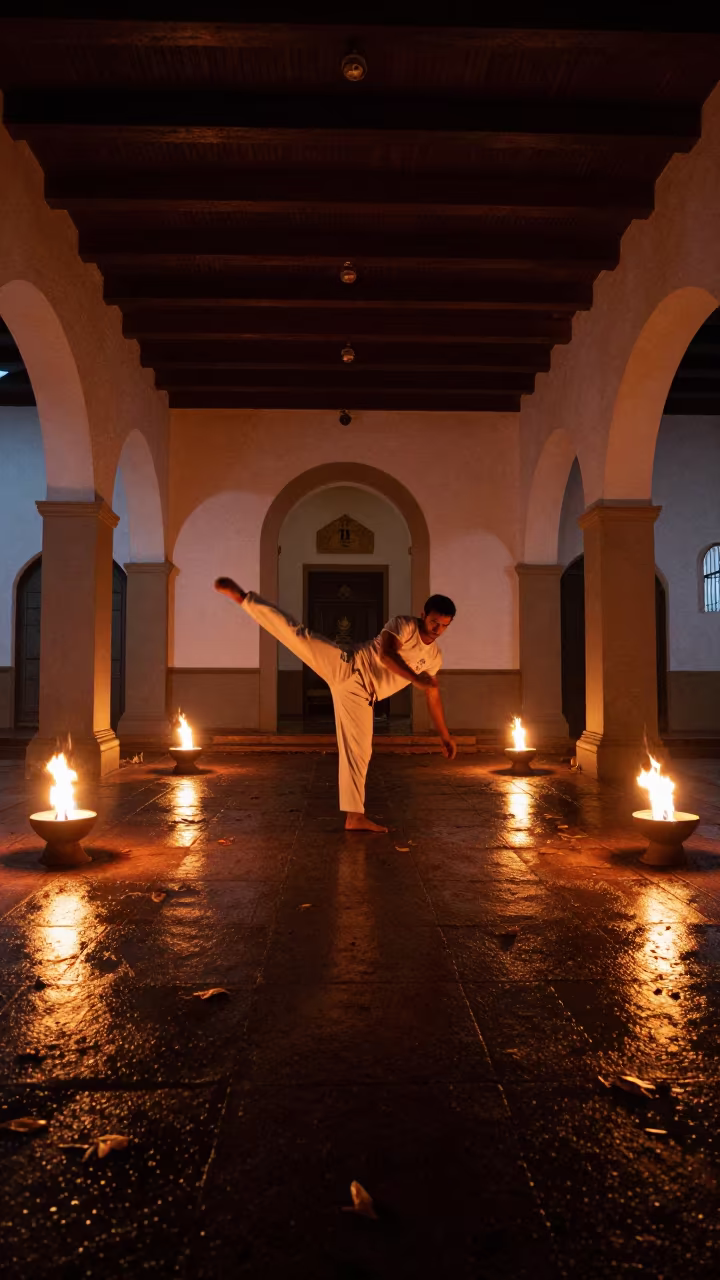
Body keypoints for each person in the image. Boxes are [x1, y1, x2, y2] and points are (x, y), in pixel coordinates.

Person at [214, 577, 458, 832]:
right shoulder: (405, 625)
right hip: (347, 664)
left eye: (443, 626)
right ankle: (244, 599)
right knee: (299, 636)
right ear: (423, 615)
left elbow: (433, 694)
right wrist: (415, 678)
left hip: (362, 696)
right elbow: (387, 654)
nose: (436, 629)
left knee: (360, 752)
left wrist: (444, 734)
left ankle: (354, 817)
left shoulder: (434, 657)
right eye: (433, 622)